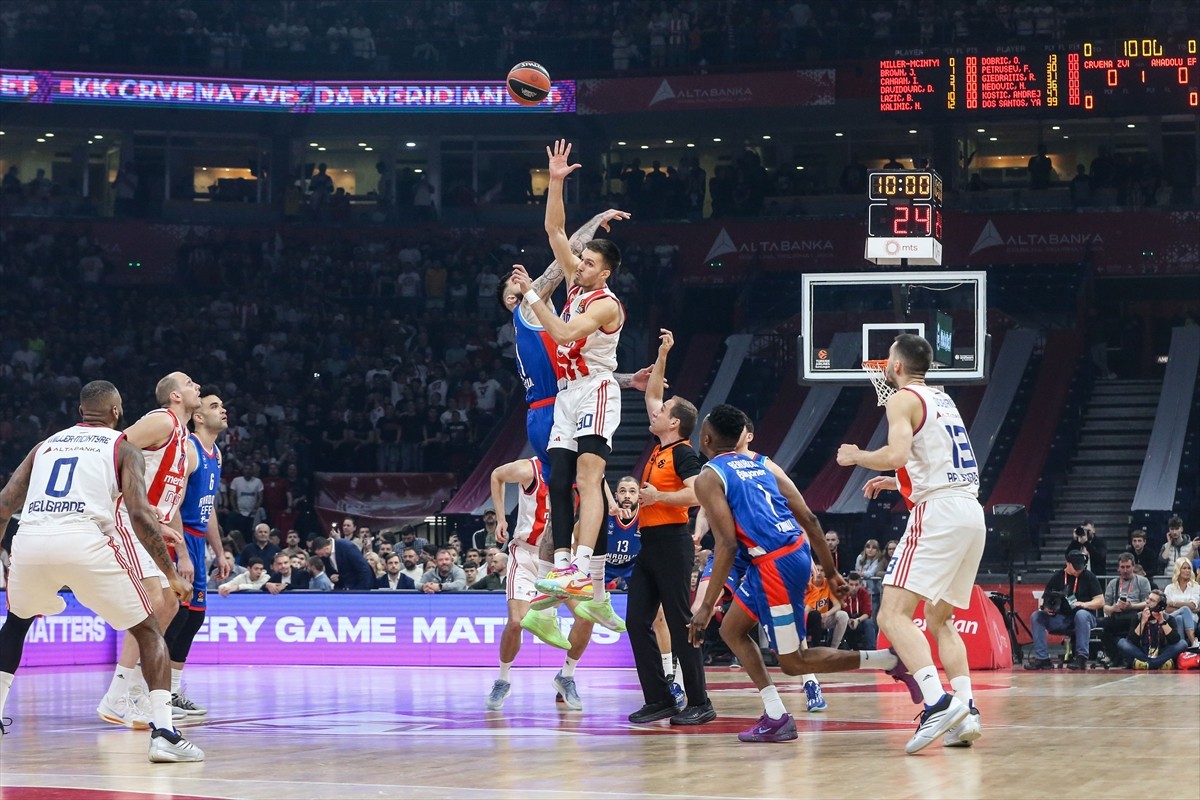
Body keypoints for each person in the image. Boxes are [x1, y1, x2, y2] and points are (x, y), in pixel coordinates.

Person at [690, 404, 918, 744]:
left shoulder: (709, 476)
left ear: (705, 438)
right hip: (791, 552)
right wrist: (831, 571)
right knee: (733, 629)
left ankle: (886, 660)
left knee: (794, 662)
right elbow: (810, 519)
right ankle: (776, 713)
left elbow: (726, 544)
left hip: (775, 566)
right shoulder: (761, 462)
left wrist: (705, 606)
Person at [0, 380, 203, 761]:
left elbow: (4, 503)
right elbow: (141, 516)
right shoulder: (122, 446)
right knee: (148, 630)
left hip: (30, 538)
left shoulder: (45, 445)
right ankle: (163, 734)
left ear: (80, 412)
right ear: (116, 412)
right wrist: (172, 574)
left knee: (15, 623)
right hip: (84, 539)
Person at [836, 333, 985, 754]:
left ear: (897, 367)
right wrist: (897, 480)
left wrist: (858, 456)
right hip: (971, 512)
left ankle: (937, 705)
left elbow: (898, 452)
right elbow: (929, 458)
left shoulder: (901, 399)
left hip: (938, 512)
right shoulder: (944, 399)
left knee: (892, 615)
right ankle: (966, 710)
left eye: (888, 362)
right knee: (941, 620)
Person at [513, 140, 626, 607]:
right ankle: (562, 566)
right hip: (564, 394)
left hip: (595, 390)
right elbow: (554, 228)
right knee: (558, 479)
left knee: (587, 476)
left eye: (590, 263)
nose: (580, 265)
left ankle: (582, 568)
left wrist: (530, 295)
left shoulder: (603, 303)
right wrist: (556, 181)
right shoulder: (578, 280)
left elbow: (560, 335)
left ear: (606, 273)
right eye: (581, 261)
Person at [98, 372, 202, 729]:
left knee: (169, 602)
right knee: (155, 603)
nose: (197, 387)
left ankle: (130, 691)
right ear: (174, 396)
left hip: (149, 524)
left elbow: (170, 500)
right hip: (126, 515)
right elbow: (114, 449)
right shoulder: (162, 420)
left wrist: (171, 535)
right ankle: (120, 693)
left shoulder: (184, 440)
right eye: (190, 383)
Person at [622, 329, 712, 726]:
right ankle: (659, 699)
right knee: (636, 622)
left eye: (663, 412)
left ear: (674, 423)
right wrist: (662, 354)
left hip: (674, 544)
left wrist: (659, 499)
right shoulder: (662, 446)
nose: (654, 412)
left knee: (680, 624)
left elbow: (696, 495)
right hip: (651, 546)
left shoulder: (683, 453)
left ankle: (700, 701)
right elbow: (652, 394)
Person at [485, 455, 596, 711]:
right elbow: (497, 475)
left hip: (559, 557)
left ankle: (566, 676)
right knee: (516, 622)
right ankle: (503, 679)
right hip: (525, 555)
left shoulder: (579, 468)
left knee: (586, 616)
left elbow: (600, 497)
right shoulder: (531, 468)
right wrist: (501, 519)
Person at [162, 388, 232, 718]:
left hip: (197, 541)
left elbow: (209, 508)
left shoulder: (215, 453)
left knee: (194, 618)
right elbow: (173, 500)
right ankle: (150, 693)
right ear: (199, 416)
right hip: (179, 539)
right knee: (174, 617)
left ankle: (173, 693)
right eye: (215, 406)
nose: (224, 410)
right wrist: (182, 552)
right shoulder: (188, 449)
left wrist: (219, 551)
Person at [1026, 550, 1104, 670]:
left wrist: (1084, 604)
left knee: (1081, 614)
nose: (1079, 570)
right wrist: (1046, 608)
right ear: (1068, 563)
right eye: (1076, 567)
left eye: (1081, 567)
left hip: (1085, 617)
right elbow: (1044, 599)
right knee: (1036, 616)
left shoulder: (1089, 577)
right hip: (1062, 618)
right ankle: (1042, 659)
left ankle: (1081, 658)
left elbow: (1100, 601)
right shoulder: (1058, 577)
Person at [1098, 553, 1152, 663]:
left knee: (1135, 621)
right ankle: (1114, 657)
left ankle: (1128, 656)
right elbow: (1105, 607)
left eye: (1128, 567)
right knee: (1102, 627)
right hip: (1118, 614)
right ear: (1119, 568)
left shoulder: (1142, 581)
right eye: (1122, 567)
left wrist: (1132, 606)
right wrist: (1113, 608)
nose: (1125, 570)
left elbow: (1148, 603)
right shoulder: (1113, 583)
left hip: (1136, 614)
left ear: (1133, 566)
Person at [1116, 589, 1186, 669]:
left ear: (1160, 605)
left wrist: (1162, 621)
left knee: (1182, 643)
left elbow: (1175, 640)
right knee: (1122, 642)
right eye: (1148, 599)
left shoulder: (1168, 618)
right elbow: (1132, 640)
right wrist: (1142, 622)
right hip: (1142, 651)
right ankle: (1157, 664)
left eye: (1152, 600)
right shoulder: (1138, 617)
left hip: (1161, 651)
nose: (1147, 602)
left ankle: (1148, 664)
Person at [804, 564, 849, 651]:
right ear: (813, 572)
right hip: (808, 618)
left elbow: (838, 606)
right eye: (817, 570)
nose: (819, 573)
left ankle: (833, 648)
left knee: (843, 615)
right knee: (815, 615)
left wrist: (826, 614)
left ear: (825, 573)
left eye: (822, 570)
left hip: (823, 619)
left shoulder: (828, 584)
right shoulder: (806, 584)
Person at [1163, 557, 1199, 648]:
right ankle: (1193, 641)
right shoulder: (1169, 588)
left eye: (1189, 568)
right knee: (1185, 609)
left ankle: (1181, 647)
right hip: (1171, 618)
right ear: (1178, 570)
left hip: (1192, 620)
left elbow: (1193, 605)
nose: (1187, 571)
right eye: (1184, 568)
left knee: (1179, 618)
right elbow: (1166, 608)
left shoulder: (1195, 587)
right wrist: (1185, 607)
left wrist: (1173, 603)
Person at [843, 572, 877, 649]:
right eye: (851, 585)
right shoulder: (843, 593)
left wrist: (857, 620)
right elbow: (839, 610)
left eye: (856, 585)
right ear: (847, 584)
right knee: (838, 620)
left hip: (860, 621)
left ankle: (871, 651)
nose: (854, 588)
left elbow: (867, 613)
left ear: (861, 585)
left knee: (869, 622)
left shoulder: (864, 593)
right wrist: (848, 621)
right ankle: (833, 648)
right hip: (846, 621)